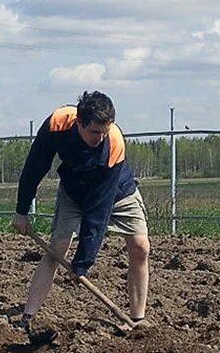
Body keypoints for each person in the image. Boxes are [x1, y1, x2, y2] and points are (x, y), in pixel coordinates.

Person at [12, 90, 150, 332]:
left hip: (117, 193)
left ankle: (137, 319)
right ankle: (28, 316)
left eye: (104, 131)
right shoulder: (57, 123)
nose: (99, 138)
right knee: (57, 249)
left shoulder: (113, 143)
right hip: (74, 191)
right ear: (79, 123)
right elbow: (34, 168)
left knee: (140, 247)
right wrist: (21, 211)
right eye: (94, 132)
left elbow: (99, 209)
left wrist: (82, 263)